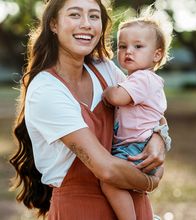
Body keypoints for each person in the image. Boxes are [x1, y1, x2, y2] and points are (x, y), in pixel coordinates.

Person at [9, 0, 168, 219]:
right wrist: (152, 181)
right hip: (82, 211)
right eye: (75, 15)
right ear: (53, 24)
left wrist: (160, 138)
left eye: (94, 16)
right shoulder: (46, 89)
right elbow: (107, 170)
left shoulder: (105, 69)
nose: (86, 24)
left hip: (133, 205)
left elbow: (149, 110)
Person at [101, 8, 173, 220]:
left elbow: (117, 98)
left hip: (136, 148)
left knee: (110, 183)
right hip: (135, 146)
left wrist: (108, 91)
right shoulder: (137, 79)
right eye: (123, 46)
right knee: (124, 187)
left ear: (157, 54)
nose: (128, 52)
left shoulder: (144, 79)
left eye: (138, 46)